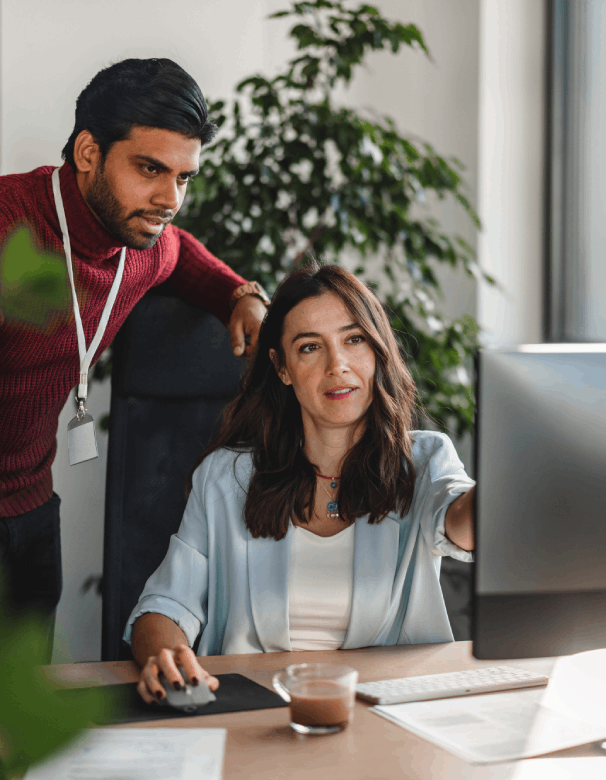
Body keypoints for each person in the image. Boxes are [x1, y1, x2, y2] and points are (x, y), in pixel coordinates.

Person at [0, 58, 269, 667]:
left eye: (184, 177)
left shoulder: (134, 236)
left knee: (18, 717)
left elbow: (182, 254)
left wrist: (240, 293)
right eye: (150, 169)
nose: (171, 198)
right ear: (89, 152)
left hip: (31, 508)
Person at [124, 264, 476, 702]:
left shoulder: (424, 462)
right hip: (251, 712)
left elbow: (463, 524)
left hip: (387, 711)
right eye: (310, 347)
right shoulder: (224, 477)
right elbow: (165, 606)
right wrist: (168, 656)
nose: (338, 365)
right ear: (282, 367)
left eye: (354, 339)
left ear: (377, 351)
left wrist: (509, 474)